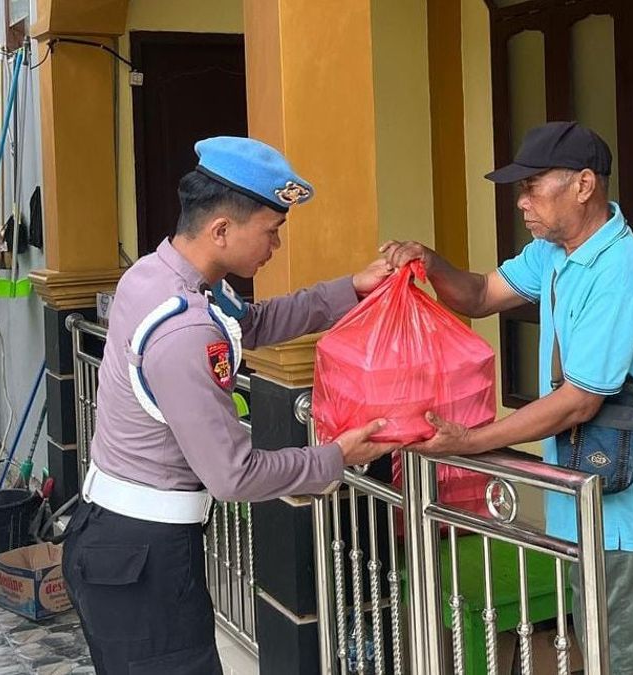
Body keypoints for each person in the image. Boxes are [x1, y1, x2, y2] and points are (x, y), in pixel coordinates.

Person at [62, 136, 397, 674]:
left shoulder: (160, 275)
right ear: (221, 230)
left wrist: (350, 290)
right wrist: (338, 456)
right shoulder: (186, 329)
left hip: (119, 539)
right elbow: (235, 476)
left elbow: (254, 323)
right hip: (142, 560)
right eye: (271, 231)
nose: (276, 246)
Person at [382, 120, 633, 674]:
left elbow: (578, 402)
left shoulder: (621, 274)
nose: (522, 203)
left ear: (584, 185)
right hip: (576, 493)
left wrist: (469, 442)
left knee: (619, 658)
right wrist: (428, 261)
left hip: (621, 513)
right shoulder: (556, 253)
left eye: (532, 187)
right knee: (588, 645)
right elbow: (479, 295)